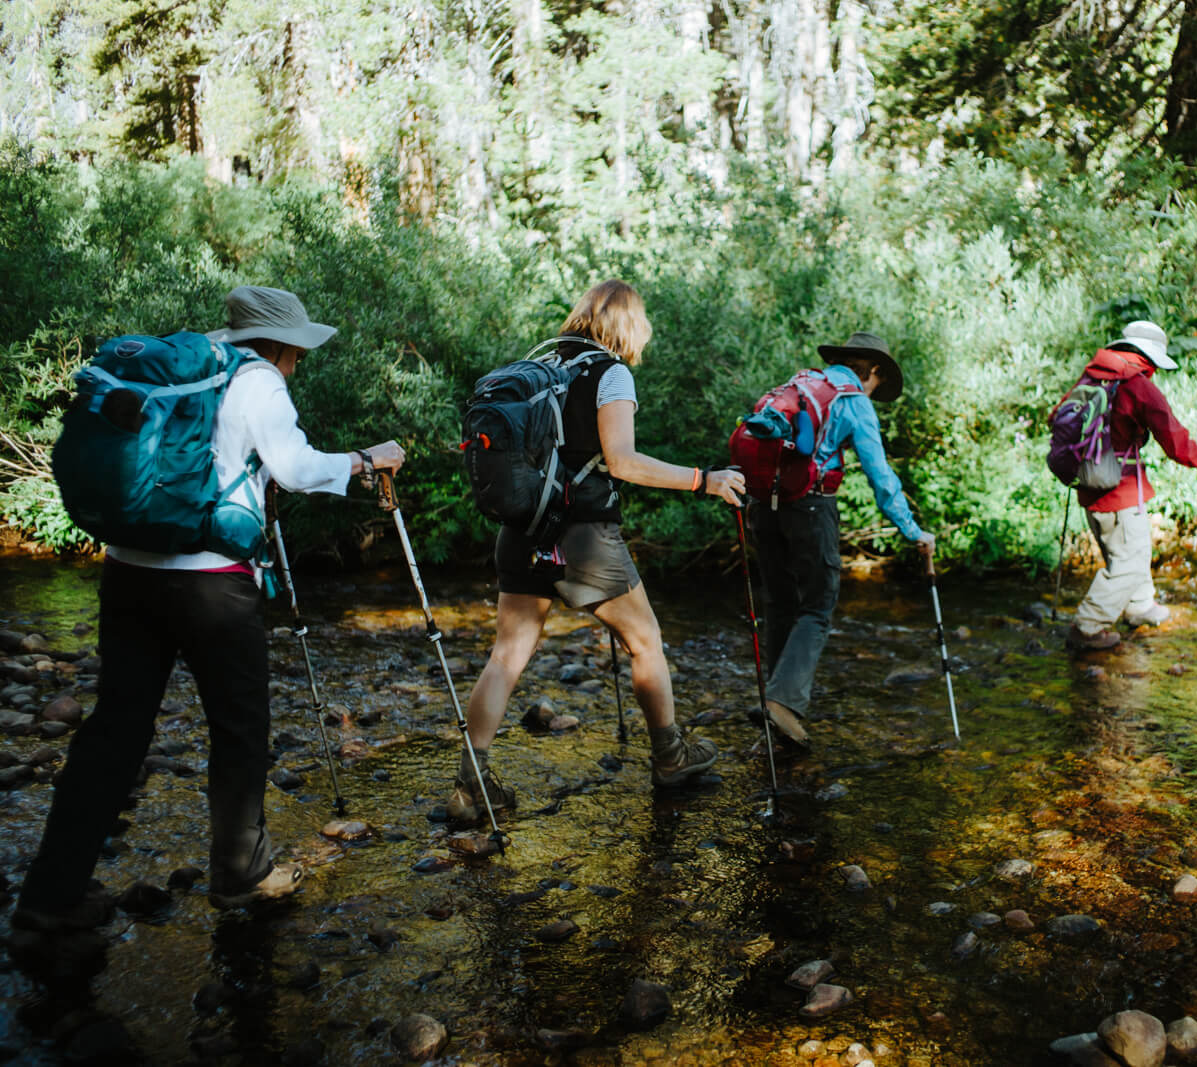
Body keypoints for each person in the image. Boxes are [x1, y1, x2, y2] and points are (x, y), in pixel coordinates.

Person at [11, 286, 405, 956]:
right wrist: (368, 460)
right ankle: (240, 875)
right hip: (210, 583)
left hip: (128, 570)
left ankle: (50, 895)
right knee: (240, 728)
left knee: (115, 731)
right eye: (299, 351)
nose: (299, 362)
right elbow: (296, 467)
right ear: (281, 344)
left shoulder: (193, 360)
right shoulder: (258, 382)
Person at [448, 280, 743, 820]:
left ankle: (471, 785)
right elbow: (624, 462)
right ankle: (671, 757)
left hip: (521, 530)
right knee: (646, 641)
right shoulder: (610, 374)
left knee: (507, 656)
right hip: (582, 536)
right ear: (628, 325)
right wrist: (706, 480)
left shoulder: (545, 365)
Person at [748, 332, 935, 749]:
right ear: (875, 372)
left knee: (780, 602)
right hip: (810, 507)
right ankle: (782, 702)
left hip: (764, 504)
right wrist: (913, 531)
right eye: (878, 384)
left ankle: (776, 700)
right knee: (818, 603)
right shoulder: (854, 401)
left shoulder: (800, 384)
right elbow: (880, 477)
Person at [1065, 321, 1197, 650]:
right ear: (1148, 357)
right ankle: (1088, 627)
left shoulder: (1091, 377)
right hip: (1120, 490)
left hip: (1089, 486)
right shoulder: (1136, 385)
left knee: (1123, 549)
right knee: (1131, 559)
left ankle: (1139, 605)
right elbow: (1178, 445)